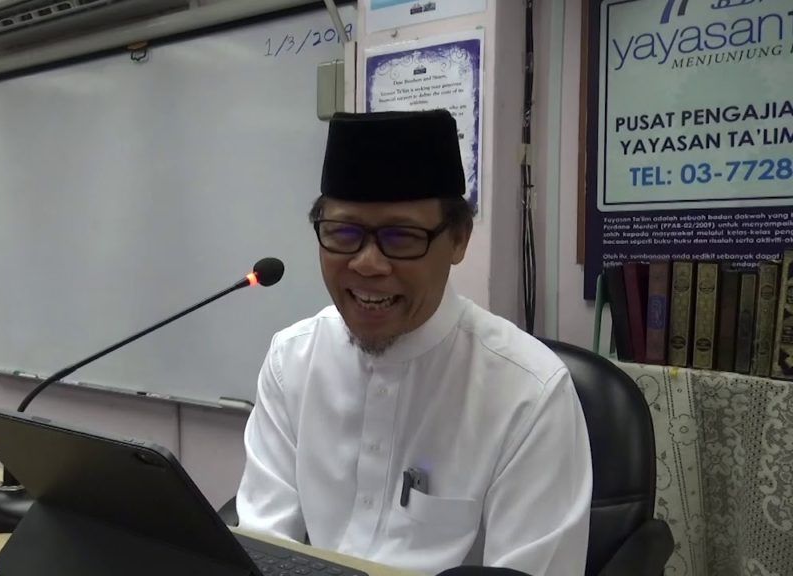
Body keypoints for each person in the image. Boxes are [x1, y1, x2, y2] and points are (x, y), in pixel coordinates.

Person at [234, 110, 592, 576]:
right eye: (343, 233)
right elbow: (262, 545)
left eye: (401, 237)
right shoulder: (293, 360)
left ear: (458, 240)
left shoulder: (529, 394)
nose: (367, 264)